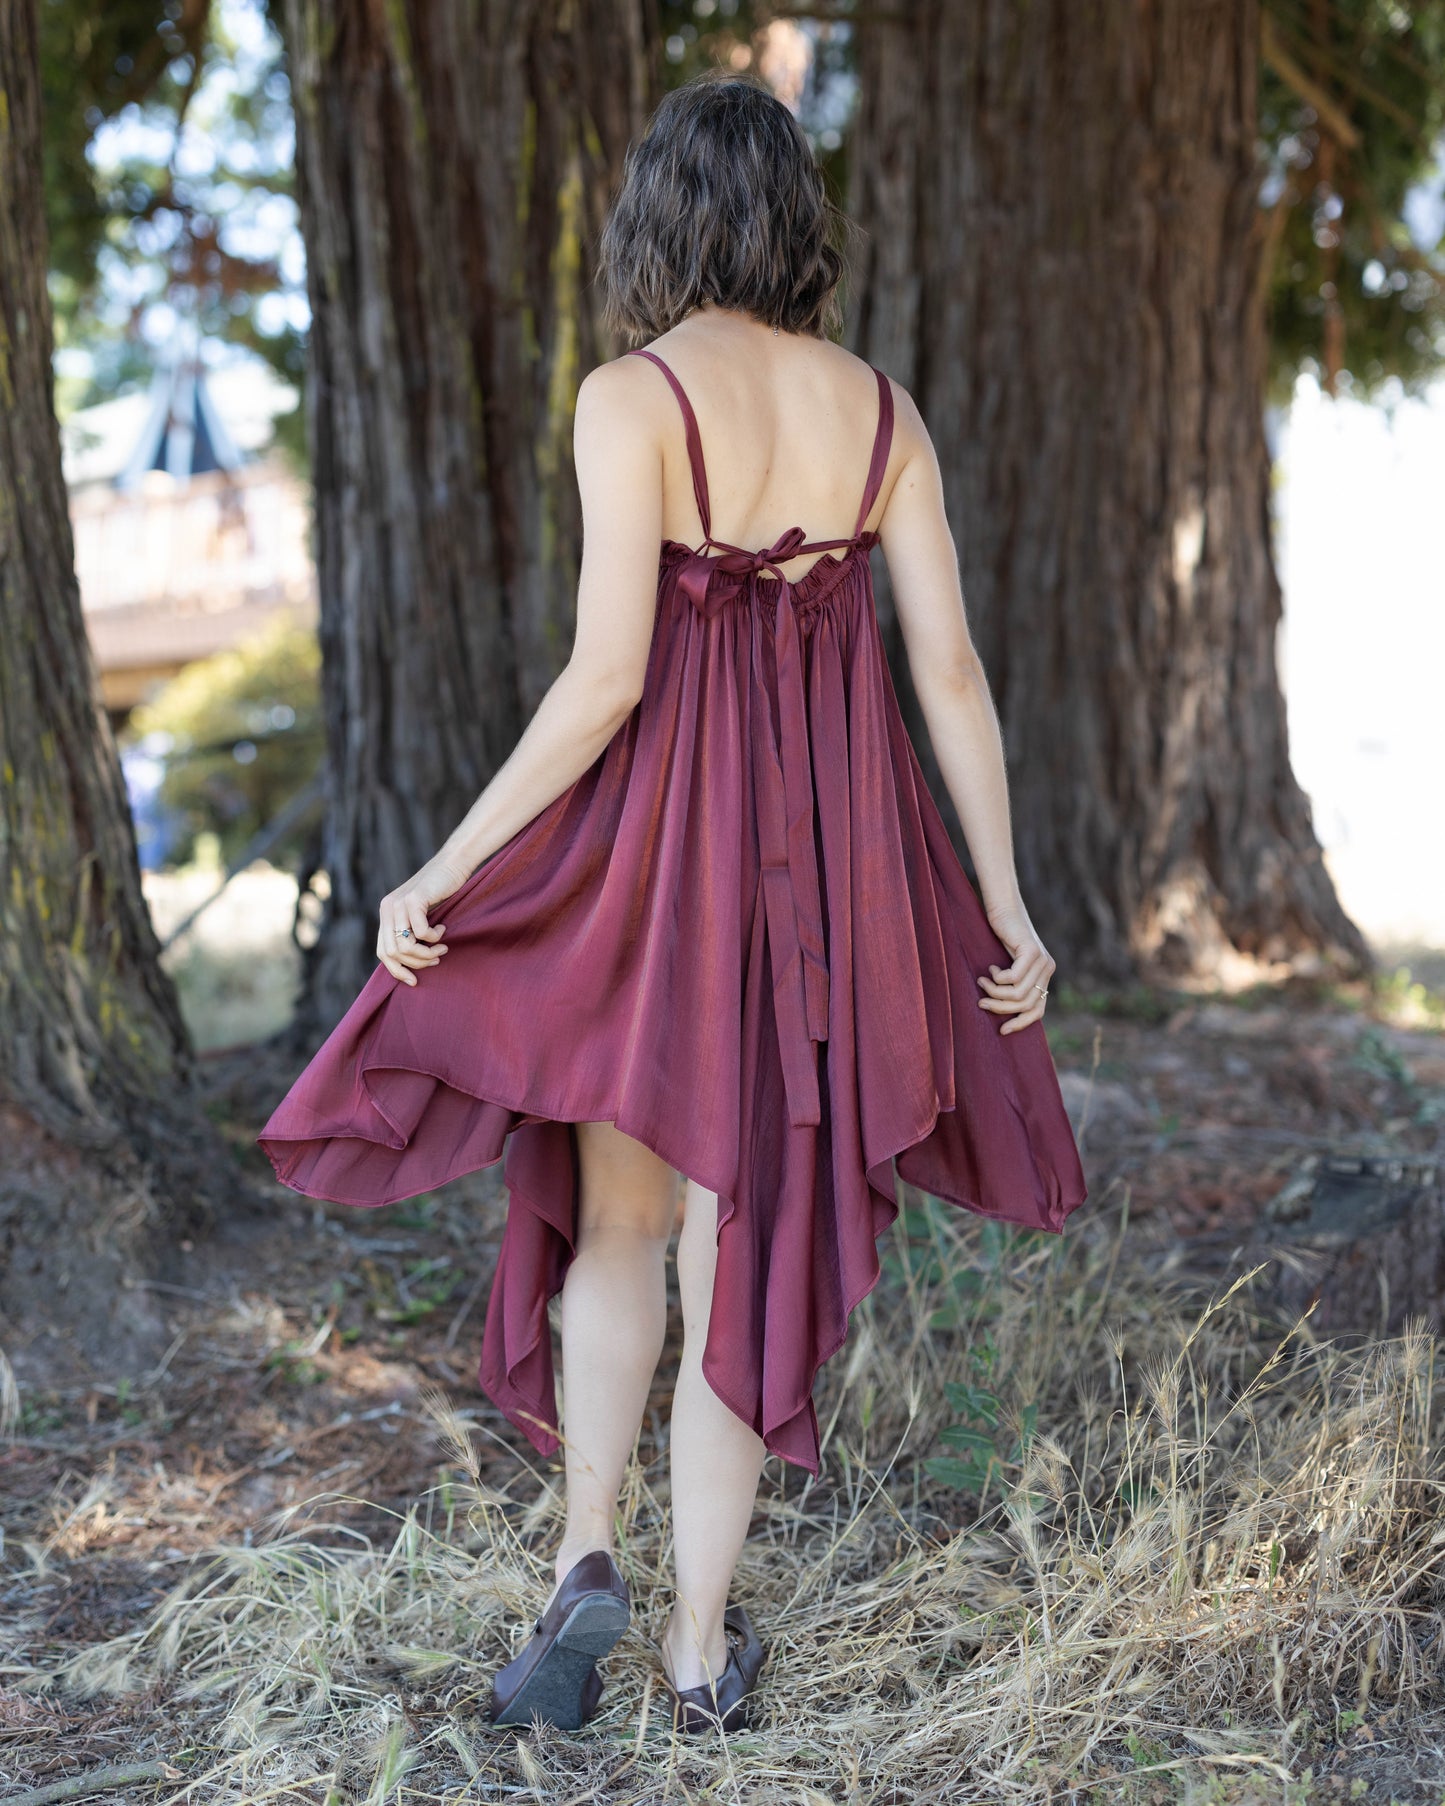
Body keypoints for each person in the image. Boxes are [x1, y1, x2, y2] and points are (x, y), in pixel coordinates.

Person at [258, 69, 1087, 1737]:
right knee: (741, 1243)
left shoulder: (630, 397)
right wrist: (1003, 905)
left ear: (657, 219)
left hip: (657, 882)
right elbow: (948, 672)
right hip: (825, 891)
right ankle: (703, 1654)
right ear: (794, 222)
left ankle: (585, 1557)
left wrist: (445, 869)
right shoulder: (882, 411)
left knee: (620, 1222)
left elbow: (602, 684)